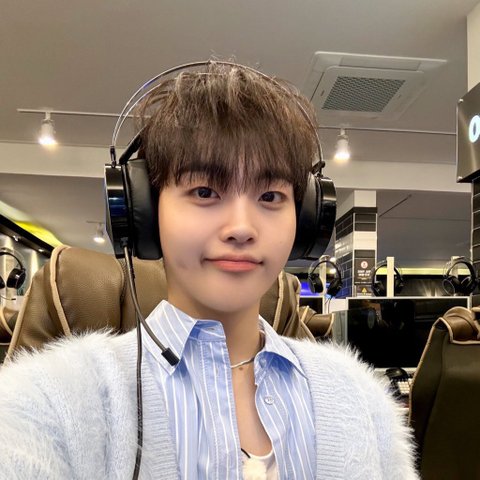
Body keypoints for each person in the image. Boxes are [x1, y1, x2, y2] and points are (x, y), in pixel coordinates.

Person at [0, 62, 418, 479]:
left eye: (270, 196)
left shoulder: (360, 400)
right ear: (145, 211)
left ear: (305, 218)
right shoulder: (51, 403)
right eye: (205, 191)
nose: (241, 227)